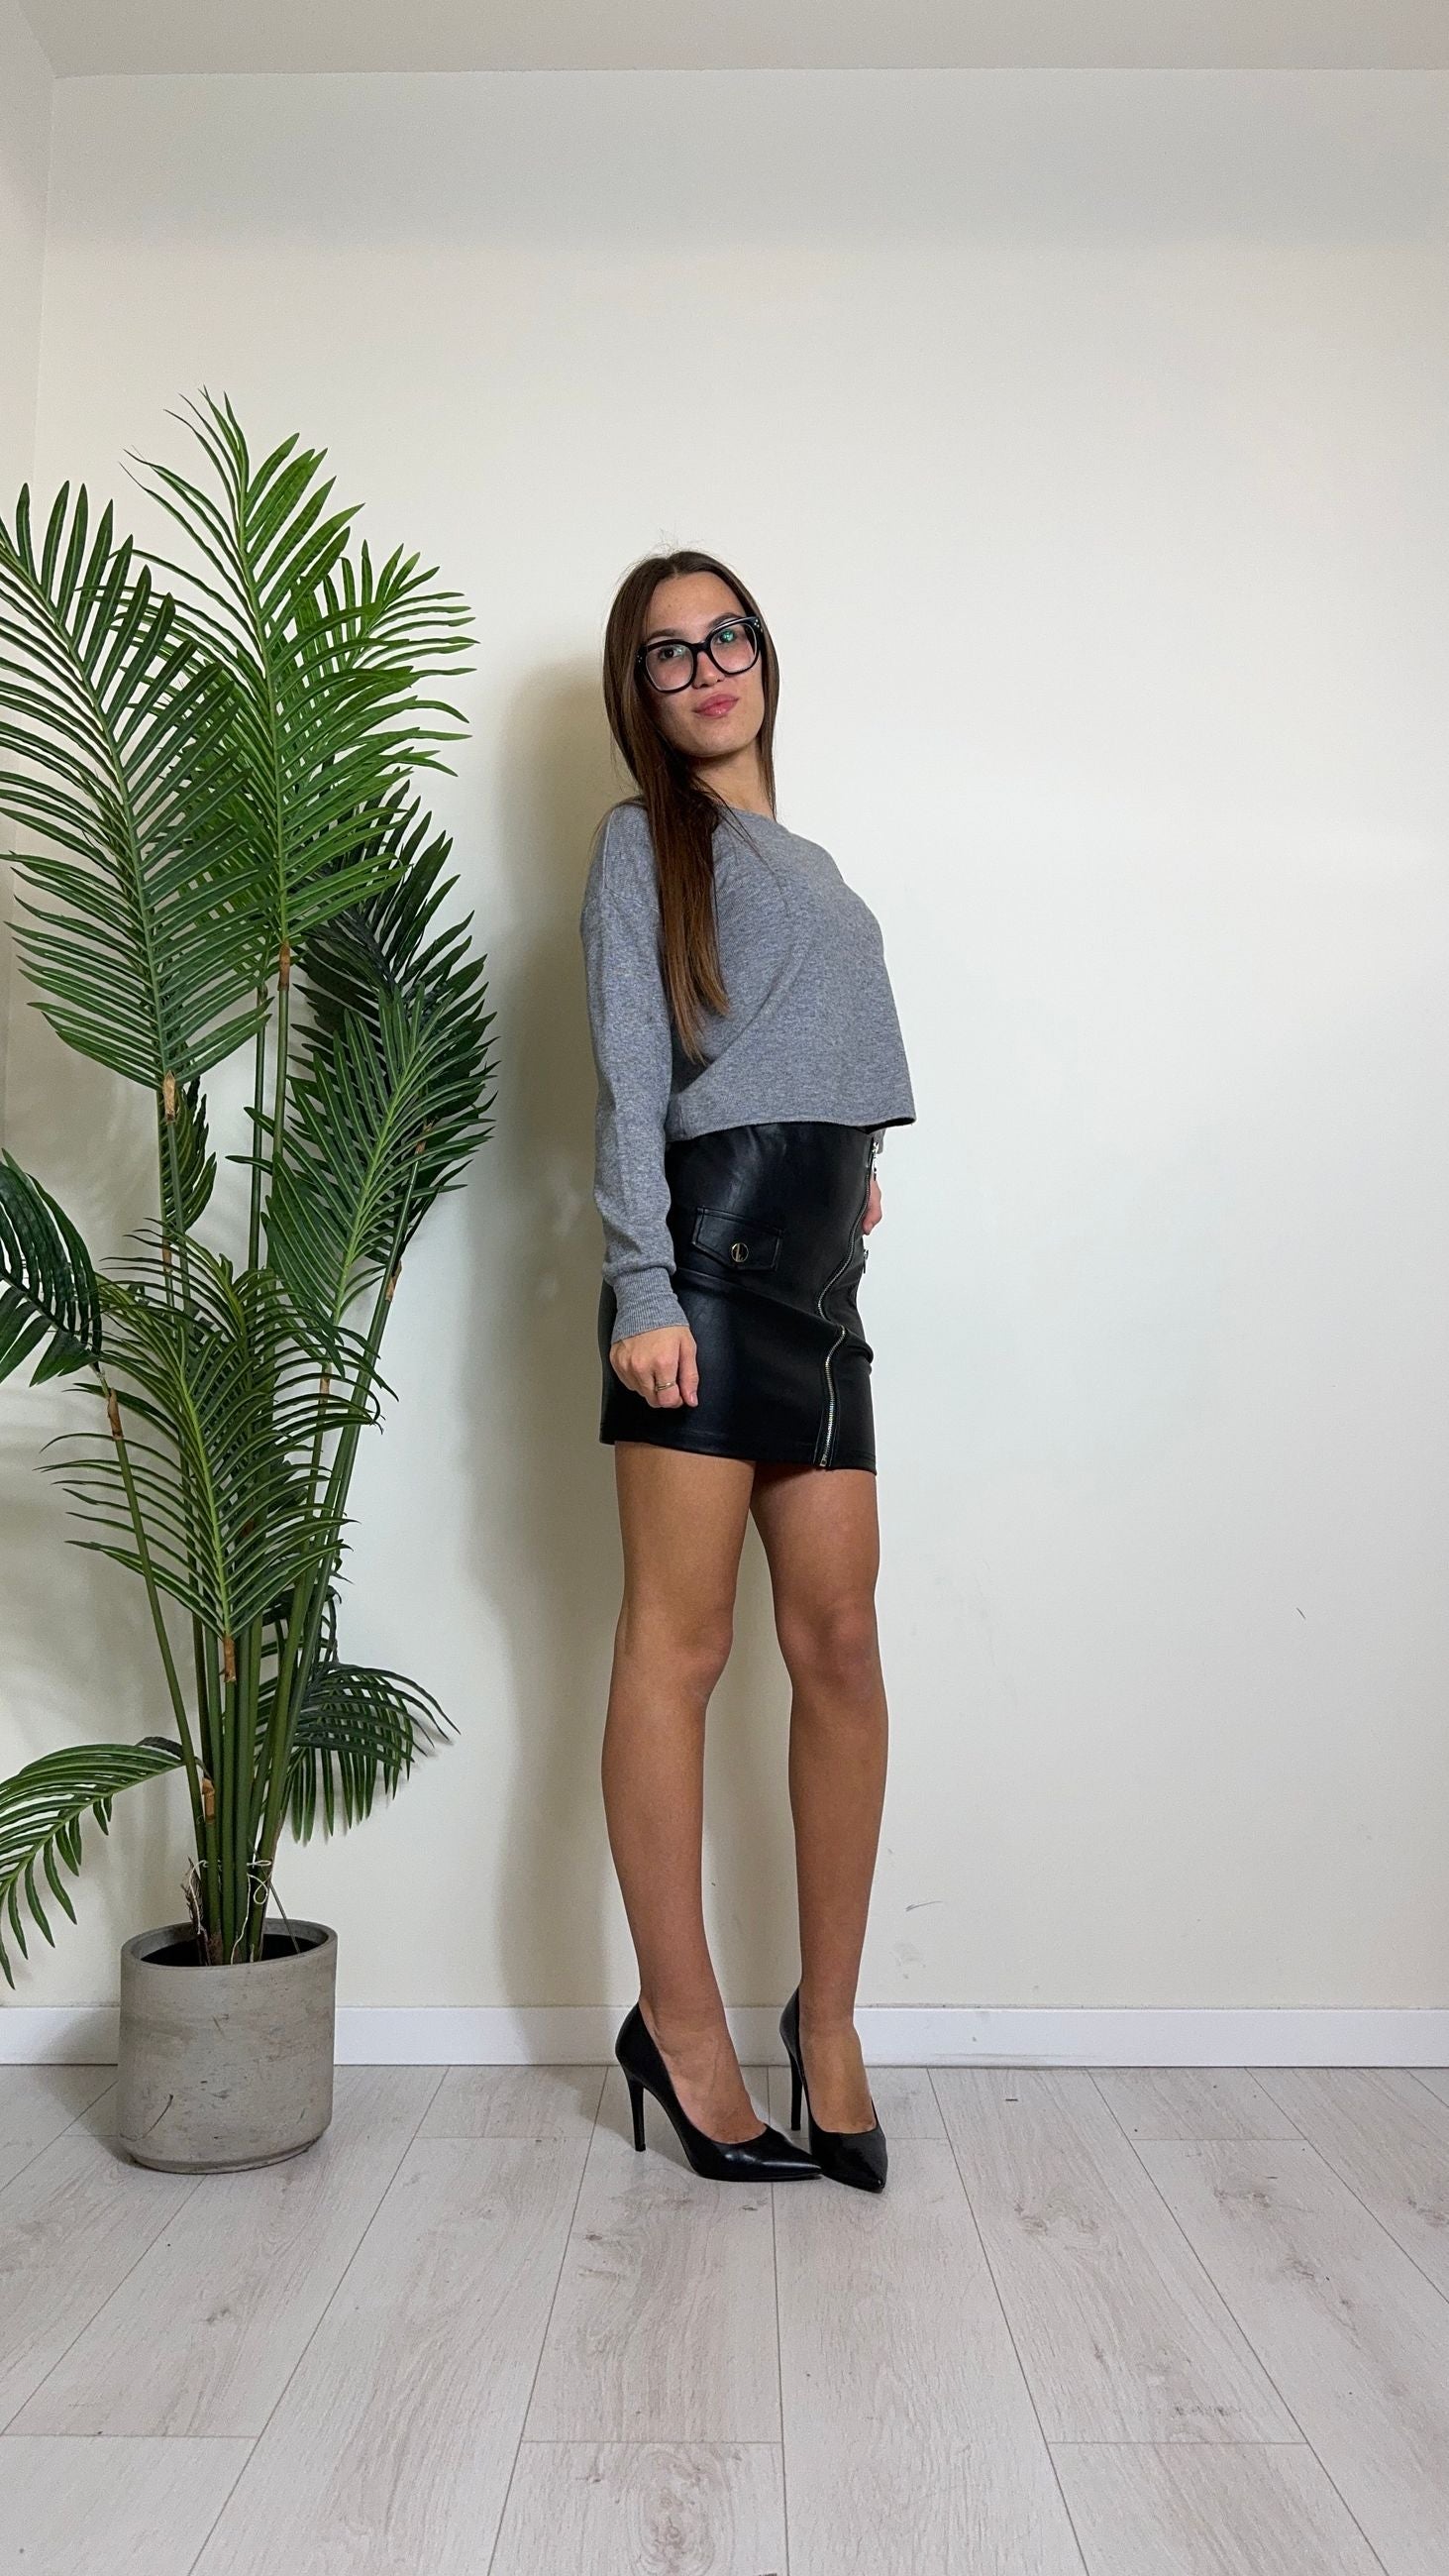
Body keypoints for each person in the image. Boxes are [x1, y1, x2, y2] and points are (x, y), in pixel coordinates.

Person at [578, 549, 915, 2192]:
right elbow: (632, 1074)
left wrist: (857, 1171)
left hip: (822, 1281)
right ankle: (683, 2029)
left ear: (766, 656)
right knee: (683, 1642)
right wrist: (641, 1282)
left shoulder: (811, 858)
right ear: (638, 692)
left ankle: (826, 2028)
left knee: (839, 1639)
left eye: (728, 636)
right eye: (669, 652)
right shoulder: (642, 843)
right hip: (703, 1270)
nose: (707, 666)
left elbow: (806, 1039)